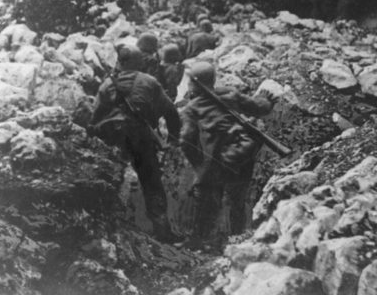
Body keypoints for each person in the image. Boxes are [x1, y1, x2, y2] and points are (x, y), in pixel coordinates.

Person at [88, 45, 182, 243]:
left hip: (113, 138)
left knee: (110, 180)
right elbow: (171, 112)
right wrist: (173, 139)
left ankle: (109, 229)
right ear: (140, 62)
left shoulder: (106, 85)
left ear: (120, 62)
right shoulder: (150, 82)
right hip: (141, 137)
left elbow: (94, 118)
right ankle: (162, 230)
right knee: (151, 182)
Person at [179, 61, 276, 250]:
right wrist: (267, 99)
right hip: (242, 155)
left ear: (193, 84)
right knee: (236, 199)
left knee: (205, 197)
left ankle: (199, 240)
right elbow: (260, 107)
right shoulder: (230, 94)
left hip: (216, 159)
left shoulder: (191, 109)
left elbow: (185, 140)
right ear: (213, 80)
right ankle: (236, 239)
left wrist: (199, 166)